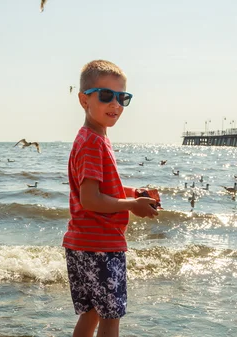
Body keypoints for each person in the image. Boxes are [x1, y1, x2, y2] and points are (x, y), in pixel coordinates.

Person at [63, 60, 159, 337]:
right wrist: (132, 206)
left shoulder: (91, 137)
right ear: (84, 99)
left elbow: (100, 190)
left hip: (82, 243)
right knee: (110, 318)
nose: (115, 104)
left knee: (91, 313)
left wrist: (132, 194)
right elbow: (90, 200)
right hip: (100, 245)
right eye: (106, 95)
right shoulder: (93, 142)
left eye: (122, 97)